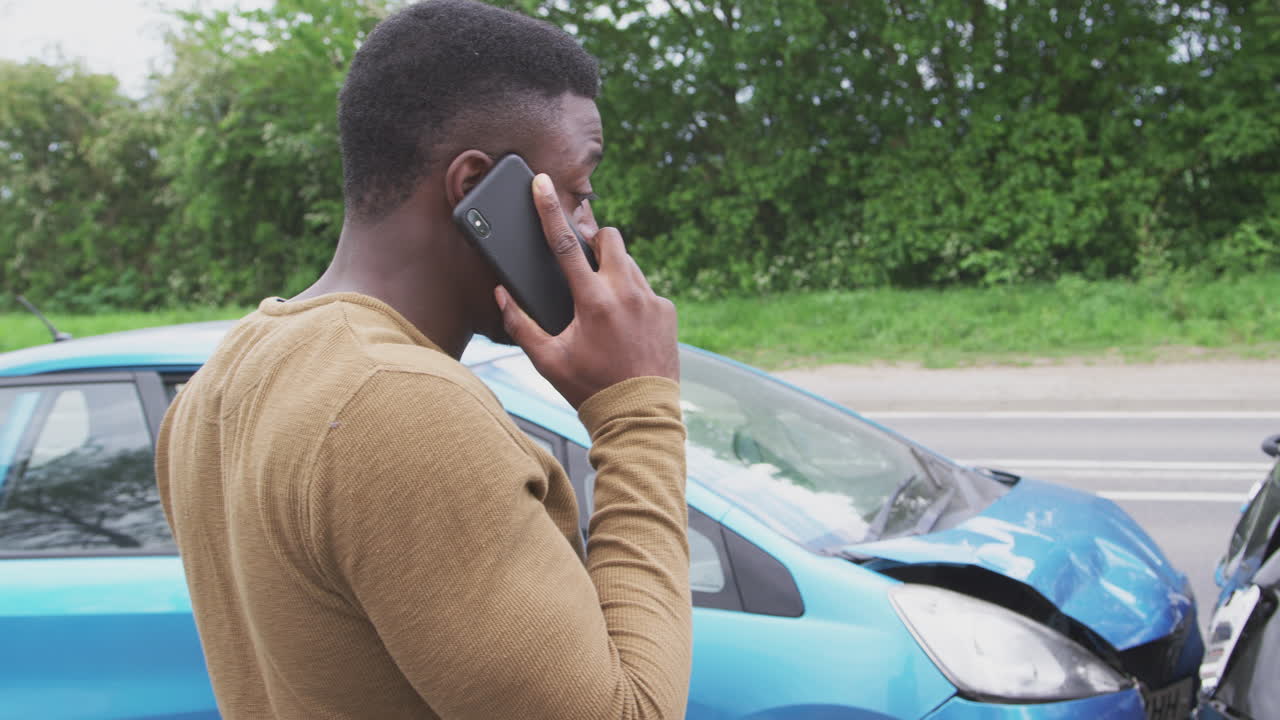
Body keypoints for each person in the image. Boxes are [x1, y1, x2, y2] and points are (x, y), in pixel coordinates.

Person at [154, 1, 692, 718]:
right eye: (579, 191)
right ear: (476, 190)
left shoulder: (221, 380)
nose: (591, 231)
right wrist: (639, 409)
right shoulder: (398, 406)